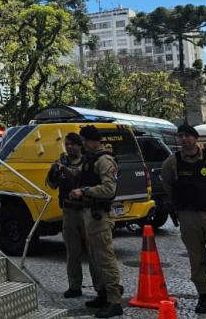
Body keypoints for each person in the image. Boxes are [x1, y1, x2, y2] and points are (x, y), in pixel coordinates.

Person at [161, 124, 206, 314]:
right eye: (180, 136)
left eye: (187, 136)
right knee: (196, 259)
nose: (184, 139)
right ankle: (204, 295)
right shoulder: (173, 162)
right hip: (187, 216)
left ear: (195, 138)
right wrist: (177, 204)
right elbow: (167, 184)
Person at [68, 125, 123, 318]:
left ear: (93, 141)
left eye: (84, 141)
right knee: (97, 260)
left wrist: (84, 191)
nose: (82, 144)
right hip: (89, 215)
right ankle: (103, 294)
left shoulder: (105, 160)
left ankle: (115, 301)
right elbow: (83, 177)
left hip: (100, 216)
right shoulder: (89, 160)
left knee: (106, 259)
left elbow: (109, 189)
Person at [45, 132, 91, 298]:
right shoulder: (61, 161)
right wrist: (53, 173)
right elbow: (51, 184)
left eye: (73, 144)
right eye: (67, 144)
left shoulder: (87, 161)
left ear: (80, 145)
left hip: (87, 211)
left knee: (93, 251)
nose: (70, 147)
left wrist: (64, 169)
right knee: (72, 252)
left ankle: (101, 287)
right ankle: (74, 286)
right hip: (69, 211)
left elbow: (77, 174)